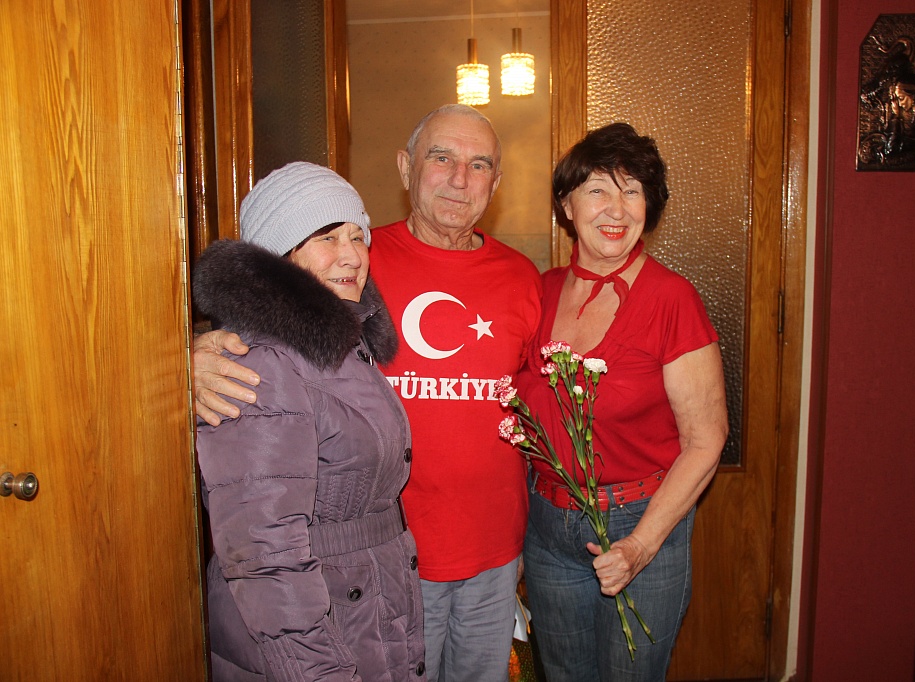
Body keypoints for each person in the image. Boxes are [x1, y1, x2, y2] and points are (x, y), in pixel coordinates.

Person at [193, 105, 543, 682]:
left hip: (480, 555)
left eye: (479, 164)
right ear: (406, 168)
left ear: (497, 181)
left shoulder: (520, 277)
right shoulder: (357, 269)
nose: (460, 179)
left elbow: (539, 406)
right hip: (374, 572)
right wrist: (190, 356)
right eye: (441, 157)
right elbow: (262, 543)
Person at [191, 162, 425, 681]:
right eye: (326, 236)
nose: (352, 255)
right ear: (281, 255)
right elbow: (264, 555)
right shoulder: (261, 365)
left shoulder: (344, 345)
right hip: (314, 642)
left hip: (362, 615)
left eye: (358, 236)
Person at [515, 122, 728, 681]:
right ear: (567, 204)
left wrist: (638, 546)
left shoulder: (672, 299)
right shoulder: (538, 292)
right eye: (597, 190)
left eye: (632, 191)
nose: (616, 208)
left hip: (639, 523)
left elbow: (706, 440)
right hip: (547, 526)